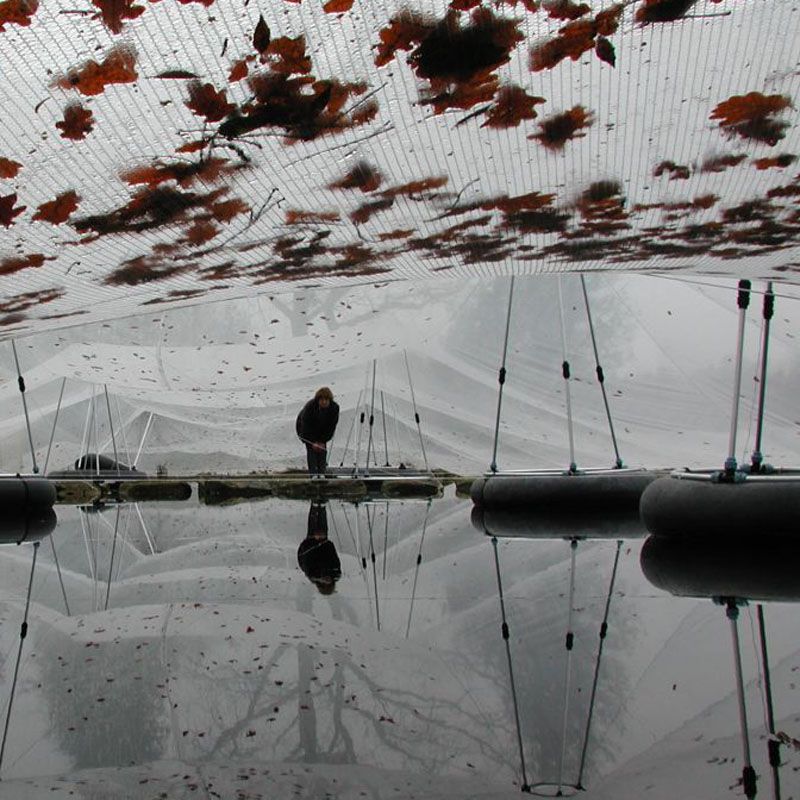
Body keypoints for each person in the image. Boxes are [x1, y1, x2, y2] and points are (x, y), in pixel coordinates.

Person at [297, 502, 341, 594]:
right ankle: (322, 507)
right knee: (322, 528)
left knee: (313, 528)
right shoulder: (335, 572)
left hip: (310, 543)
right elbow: (333, 555)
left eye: (324, 583)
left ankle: (315, 507)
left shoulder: (311, 573)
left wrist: (315, 542)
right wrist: (324, 542)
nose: (326, 580)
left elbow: (305, 555)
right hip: (323, 542)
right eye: (328, 583)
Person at [295, 387, 339, 478]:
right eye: (321, 399)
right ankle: (313, 474)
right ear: (318, 400)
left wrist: (323, 440)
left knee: (322, 449)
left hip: (322, 430)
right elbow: (306, 427)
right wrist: (312, 442)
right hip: (304, 428)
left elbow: (331, 427)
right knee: (311, 449)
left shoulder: (334, 408)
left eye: (326, 400)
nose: (324, 402)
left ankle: (322, 473)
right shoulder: (310, 407)